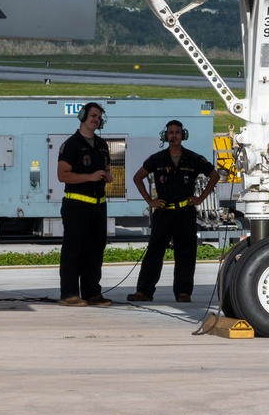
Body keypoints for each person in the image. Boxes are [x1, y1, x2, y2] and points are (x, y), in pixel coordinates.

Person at [128, 120, 220, 303]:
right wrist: (149, 200)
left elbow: (214, 176)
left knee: (185, 253)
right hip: (163, 212)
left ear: (183, 135)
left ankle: (183, 292)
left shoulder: (193, 158)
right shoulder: (157, 158)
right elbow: (137, 177)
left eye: (177, 132)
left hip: (185, 212)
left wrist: (200, 198)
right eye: (170, 132)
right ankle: (144, 291)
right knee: (154, 252)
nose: (174, 136)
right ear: (165, 136)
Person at [57, 102, 114, 307]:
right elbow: (62, 175)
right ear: (82, 116)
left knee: (95, 250)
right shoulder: (71, 144)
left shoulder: (101, 144)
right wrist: (89, 177)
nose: (96, 119)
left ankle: (92, 293)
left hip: (98, 206)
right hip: (76, 206)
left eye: (99, 117)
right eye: (92, 115)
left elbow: (107, 168)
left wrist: (107, 176)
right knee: (74, 250)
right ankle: (69, 293)